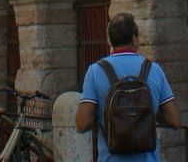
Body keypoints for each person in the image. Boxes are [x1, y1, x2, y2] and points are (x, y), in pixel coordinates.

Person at [77, 13, 182, 161]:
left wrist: (102, 115)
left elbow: (82, 123)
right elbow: (175, 120)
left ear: (110, 41)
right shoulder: (154, 69)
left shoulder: (95, 71)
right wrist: (149, 113)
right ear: (134, 39)